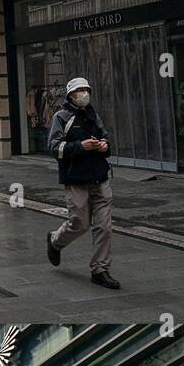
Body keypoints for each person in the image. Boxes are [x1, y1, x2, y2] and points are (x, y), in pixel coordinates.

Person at [46, 77, 120, 290]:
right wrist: (81, 146)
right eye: (80, 91)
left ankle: (100, 270)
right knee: (79, 223)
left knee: (104, 227)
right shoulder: (61, 117)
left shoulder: (93, 115)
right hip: (76, 180)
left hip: (100, 177)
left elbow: (106, 139)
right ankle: (55, 241)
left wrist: (105, 146)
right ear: (70, 95)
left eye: (87, 90)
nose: (84, 94)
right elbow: (54, 148)